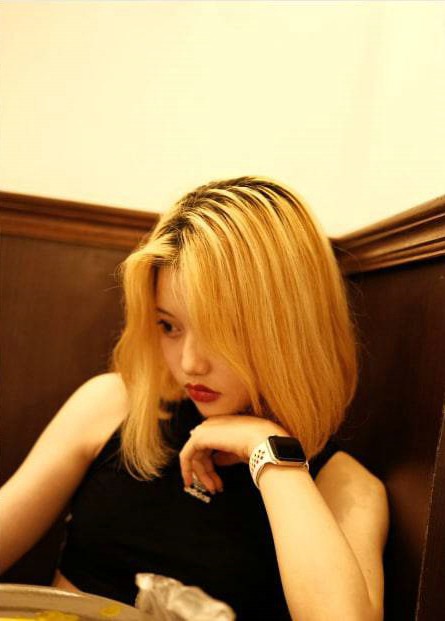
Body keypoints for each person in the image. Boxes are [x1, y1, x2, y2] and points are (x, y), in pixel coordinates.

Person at [0, 176, 389, 620]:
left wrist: (268, 449)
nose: (189, 364)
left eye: (220, 332)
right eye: (169, 326)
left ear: (288, 329)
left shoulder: (345, 487)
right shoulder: (115, 404)